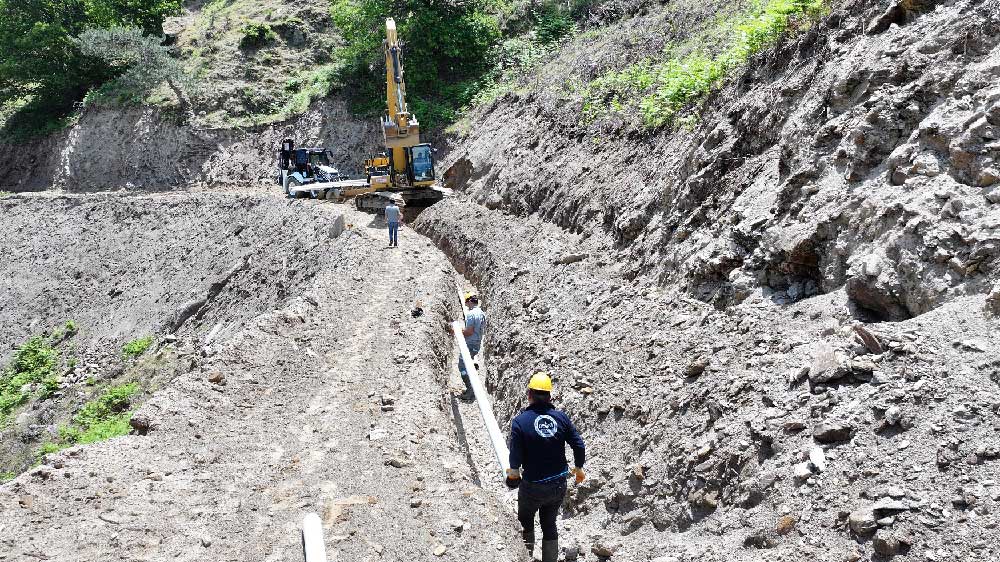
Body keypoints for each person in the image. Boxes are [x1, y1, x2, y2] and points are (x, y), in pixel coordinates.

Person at [505, 372, 586, 562]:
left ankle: (526, 556)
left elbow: (515, 457)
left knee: (526, 522)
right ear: (550, 396)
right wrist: (579, 467)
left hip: (533, 485)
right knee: (549, 523)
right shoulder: (561, 418)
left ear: (529, 395)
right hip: (558, 483)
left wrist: (513, 476)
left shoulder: (520, 422)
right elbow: (579, 445)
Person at [458, 292, 485, 401]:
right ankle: (471, 389)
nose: (466, 305)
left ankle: (471, 391)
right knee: (467, 365)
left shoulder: (471, 314)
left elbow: (469, 332)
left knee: (462, 366)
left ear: (469, 301)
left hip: (470, 343)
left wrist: (457, 331)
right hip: (477, 343)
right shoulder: (482, 313)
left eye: (466, 303)